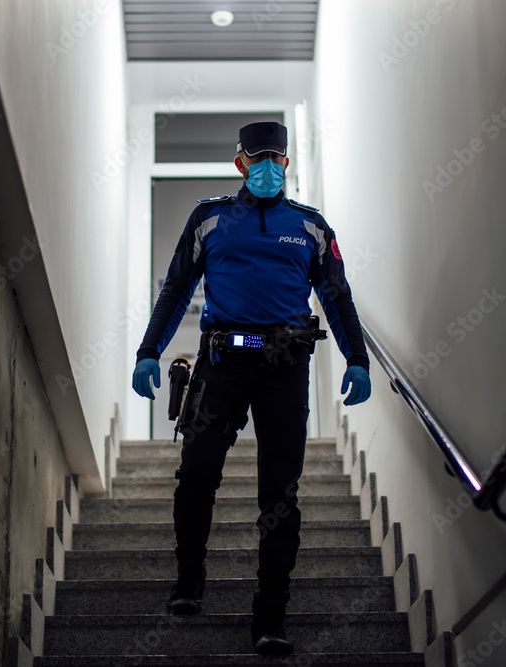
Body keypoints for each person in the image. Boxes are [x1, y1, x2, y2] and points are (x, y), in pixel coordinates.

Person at [131, 120, 371, 656]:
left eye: (275, 160)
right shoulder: (209, 218)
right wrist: (150, 350)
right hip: (223, 363)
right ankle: (189, 577)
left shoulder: (311, 226)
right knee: (197, 472)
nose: (266, 168)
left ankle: (271, 613)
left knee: (279, 494)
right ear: (240, 163)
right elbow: (177, 287)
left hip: (285, 366)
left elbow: (337, 295)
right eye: (256, 159)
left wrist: (357, 358)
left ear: (286, 164)